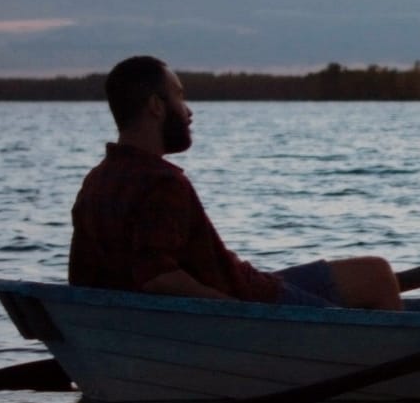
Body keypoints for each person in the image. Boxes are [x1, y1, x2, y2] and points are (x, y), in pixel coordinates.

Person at [69, 55, 402, 310]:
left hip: (242, 285)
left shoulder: (96, 181)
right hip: (250, 300)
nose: (188, 112)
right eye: (180, 97)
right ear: (156, 106)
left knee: (372, 273)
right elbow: (158, 277)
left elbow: (82, 278)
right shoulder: (161, 182)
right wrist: (231, 308)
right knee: (378, 277)